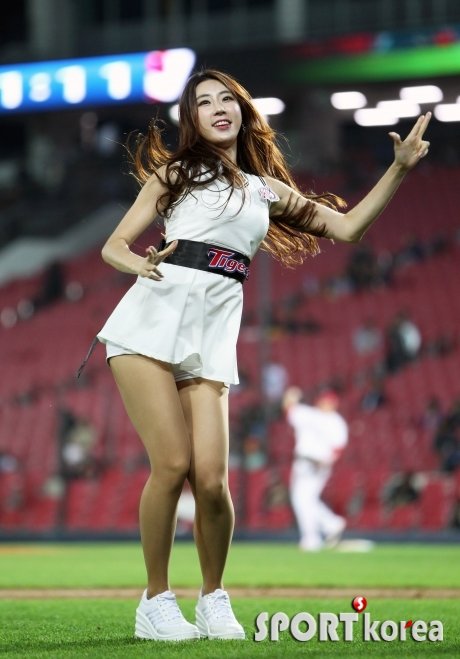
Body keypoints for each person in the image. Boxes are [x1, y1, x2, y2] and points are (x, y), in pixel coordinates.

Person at [90, 68, 430, 640]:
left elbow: (347, 228)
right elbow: (112, 245)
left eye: (227, 98)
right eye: (204, 102)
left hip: (210, 338)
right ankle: (155, 600)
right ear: (192, 119)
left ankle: (214, 598)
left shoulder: (265, 190)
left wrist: (397, 168)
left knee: (212, 482)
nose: (219, 107)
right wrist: (139, 263)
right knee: (171, 465)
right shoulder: (176, 173)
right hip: (148, 324)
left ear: (243, 110)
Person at [282, 387, 349, 551]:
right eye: (324, 401)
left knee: (302, 499)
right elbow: (289, 409)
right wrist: (290, 396)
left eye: (329, 402)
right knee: (304, 499)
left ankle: (312, 537)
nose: (326, 404)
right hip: (302, 462)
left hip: (318, 464)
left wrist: (328, 461)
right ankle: (331, 524)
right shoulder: (309, 414)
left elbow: (338, 448)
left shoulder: (337, 422)